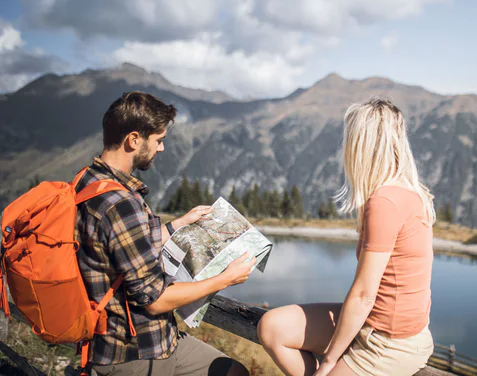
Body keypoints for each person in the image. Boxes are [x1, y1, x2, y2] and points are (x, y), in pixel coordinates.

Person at [76, 91, 256, 376]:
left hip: (140, 341)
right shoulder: (120, 204)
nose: (161, 149)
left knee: (234, 372)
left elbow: (125, 248)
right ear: (134, 140)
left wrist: (178, 224)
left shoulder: (89, 180)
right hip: (135, 352)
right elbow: (156, 300)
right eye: (158, 140)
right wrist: (225, 278)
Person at [258, 98, 436, 376]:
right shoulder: (409, 192)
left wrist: (330, 360)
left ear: (361, 146)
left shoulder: (385, 201)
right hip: (373, 325)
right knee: (272, 327)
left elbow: (364, 295)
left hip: (388, 344)